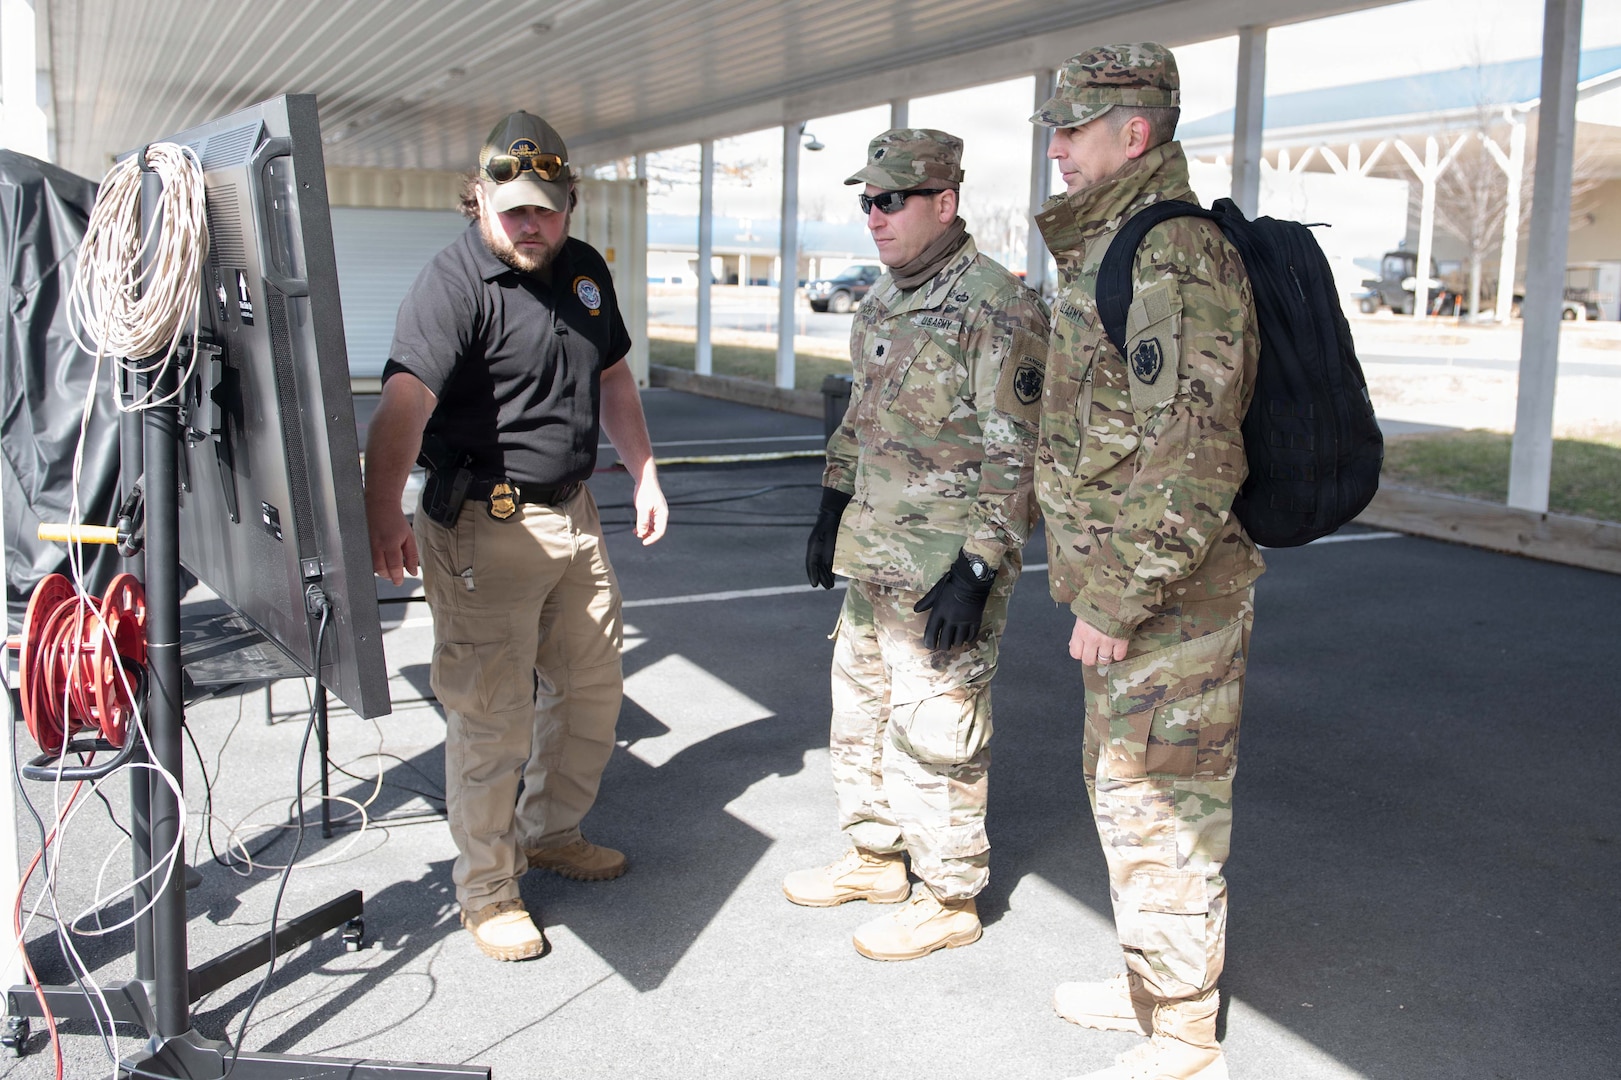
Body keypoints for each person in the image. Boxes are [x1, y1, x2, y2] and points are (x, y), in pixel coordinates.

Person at [363, 110, 667, 963]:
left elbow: (612, 375)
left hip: (571, 512)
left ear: (569, 202)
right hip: (481, 527)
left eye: (546, 208)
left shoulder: (584, 272)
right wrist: (380, 510)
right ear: (481, 200)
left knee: (589, 689)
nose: (531, 225)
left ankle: (551, 832)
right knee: (492, 716)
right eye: (514, 210)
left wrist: (642, 471)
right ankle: (487, 889)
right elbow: (401, 406)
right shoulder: (453, 284)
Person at [1027, 43, 1265, 1080]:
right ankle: (1149, 983)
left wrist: (1119, 594)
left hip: (1167, 601)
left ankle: (1182, 1030)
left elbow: (1196, 453)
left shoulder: (1170, 255)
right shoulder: (1116, 245)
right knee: (1123, 791)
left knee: (1163, 802)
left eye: (1072, 130)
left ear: (1135, 132)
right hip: (1132, 599)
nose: (1057, 150)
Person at [784, 129, 1049, 962]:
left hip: (943, 571)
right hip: (873, 558)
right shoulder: (880, 303)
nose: (874, 215)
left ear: (945, 202)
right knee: (859, 716)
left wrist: (977, 570)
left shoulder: (996, 306)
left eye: (891, 199)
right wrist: (831, 507)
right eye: (866, 200)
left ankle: (948, 895)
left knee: (936, 732)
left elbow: (1018, 454)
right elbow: (857, 425)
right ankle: (875, 858)